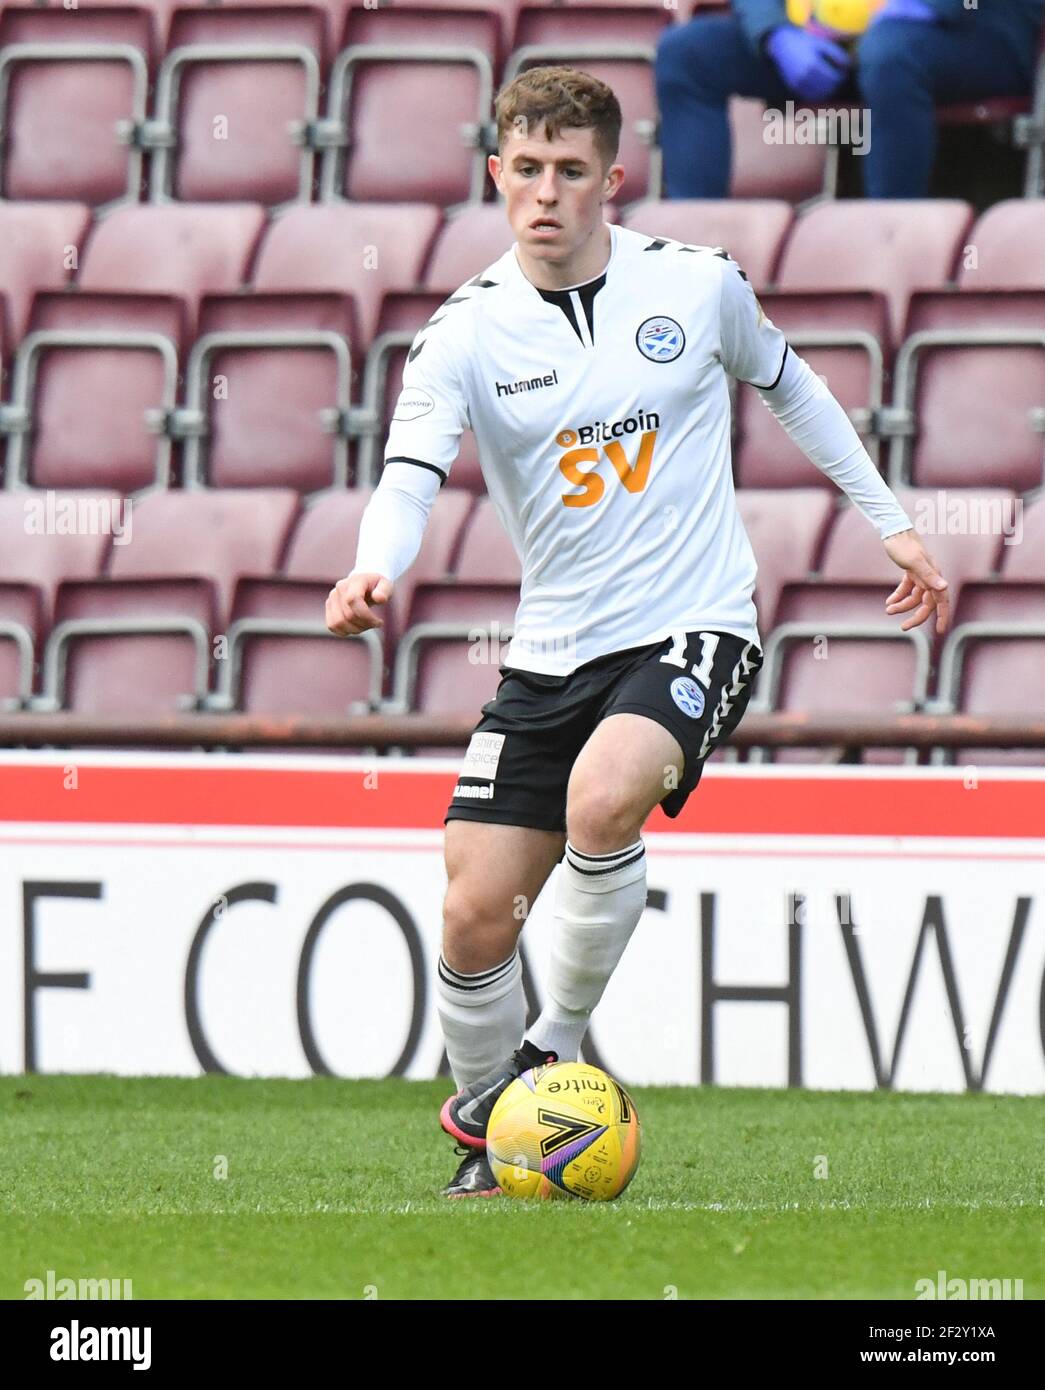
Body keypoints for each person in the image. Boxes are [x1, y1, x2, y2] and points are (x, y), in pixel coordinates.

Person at [325, 66, 949, 1197]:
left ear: (614, 179)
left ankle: (553, 1046)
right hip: (550, 650)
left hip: (693, 622)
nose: (547, 193)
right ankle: (489, 1126)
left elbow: (792, 385)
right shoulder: (461, 334)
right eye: (526, 170)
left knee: (604, 796)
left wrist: (892, 526)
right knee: (473, 911)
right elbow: (409, 474)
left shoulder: (696, 287)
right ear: (495, 176)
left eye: (571, 171)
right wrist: (377, 563)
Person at [655, 0, 1045, 199]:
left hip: (970, 33)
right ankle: (696, 251)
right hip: (829, 43)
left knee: (891, 55)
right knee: (686, 53)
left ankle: (889, 238)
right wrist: (775, 35)